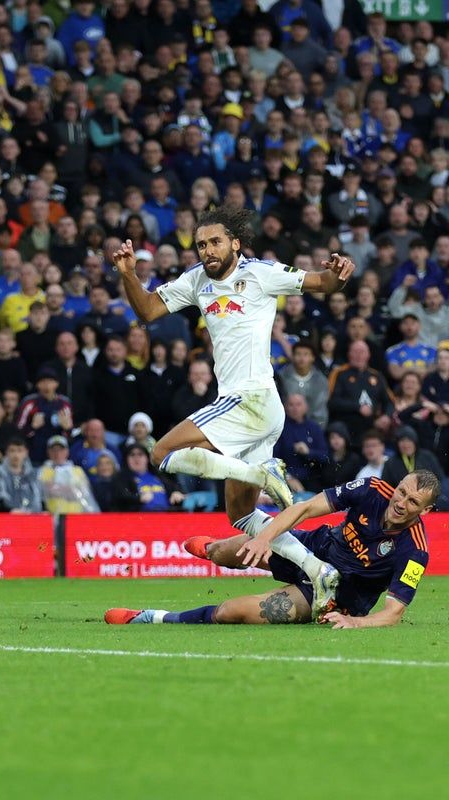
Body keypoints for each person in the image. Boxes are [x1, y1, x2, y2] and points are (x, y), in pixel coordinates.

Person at [112, 205, 354, 598]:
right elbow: (149, 309)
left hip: (250, 399)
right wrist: (128, 274)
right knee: (240, 515)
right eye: (201, 245)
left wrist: (338, 273)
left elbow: (322, 283)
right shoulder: (196, 280)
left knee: (160, 452)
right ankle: (318, 570)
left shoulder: (261, 272)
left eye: (215, 242)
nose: (207, 250)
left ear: (235, 244)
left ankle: (261, 475)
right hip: (255, 409)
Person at [110, 472, 438, 627]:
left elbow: (394, 613)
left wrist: (355, 623)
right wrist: (264, 538)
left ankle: (153, 618)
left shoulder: (415, 550)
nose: (401, 502)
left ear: (425, 511)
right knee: (227, 553)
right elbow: (305, 508)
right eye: (402, 492)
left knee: (231, 612)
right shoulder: (371, 489)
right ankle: (212, 548)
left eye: (413, 502)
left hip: (333, 595)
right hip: (312, 548)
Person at [0, 438, 43, 513]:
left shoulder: (33, 474)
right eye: (12, 451)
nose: (16, 455)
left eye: (20, 451)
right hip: (5, 515)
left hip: (31, 516)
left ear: (26, 453)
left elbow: (38, 498)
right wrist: (11, 510)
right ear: (6, 453)